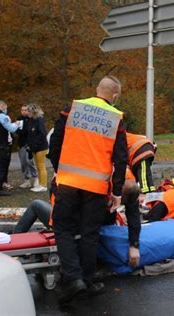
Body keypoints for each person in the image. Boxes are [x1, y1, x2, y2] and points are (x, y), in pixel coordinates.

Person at [47, 75, 129, 304]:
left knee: (63, 229)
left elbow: (56, 142)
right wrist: (117, 191)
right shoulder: (117, 118)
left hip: (68, 182)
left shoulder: (71, 109)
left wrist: (57, 168)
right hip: (96, 187)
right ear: (114, 95)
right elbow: (120, 159)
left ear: (96, 89)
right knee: (89, 234)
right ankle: (88, 279)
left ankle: (73, 279)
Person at [0, 100, 22, 196]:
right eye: (6, 108)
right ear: (2, 106)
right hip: (1, 146)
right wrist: (17, 124)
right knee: (1, 167)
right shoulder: (2, 117)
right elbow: (11, 129)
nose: (6, 110)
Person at [26, 103, 48, 192]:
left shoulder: (40, 120)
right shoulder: (31, 120)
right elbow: (31, 134)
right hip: (34, 148)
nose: (27, 113)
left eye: (28, 111)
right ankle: (40, 184)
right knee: (38, 166)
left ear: (33, 111)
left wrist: (35, 144)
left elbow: (42, 134)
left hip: (41, 147)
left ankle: (44, 185)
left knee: (41, 166)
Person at [16, 105, 38, 189]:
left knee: (30, 162)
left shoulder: (32, 119)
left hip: (30, 144)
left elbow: (30, 131)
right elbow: (17, 131)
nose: (24, 112)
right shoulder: (19, 119)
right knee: (23, 163)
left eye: (25, 110)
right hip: (21, 143)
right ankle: (26, 180)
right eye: (22, 110)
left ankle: (36, 178)